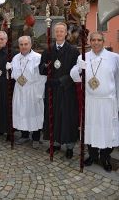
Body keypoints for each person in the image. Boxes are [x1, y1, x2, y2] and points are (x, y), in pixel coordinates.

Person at [70, 32, 119, 171]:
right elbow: (74, 76)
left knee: (107, 131)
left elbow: (118, 80)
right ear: (90, 42)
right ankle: (92, 155)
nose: (96, 42)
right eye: (93, 40)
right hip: (90, 102)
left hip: (107, 102)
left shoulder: (114, 58)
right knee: (91, 129)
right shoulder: (83, 57)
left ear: (103, 41)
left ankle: (105, 157)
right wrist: (79, 67)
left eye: (99, 40)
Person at [39, 22, 79, 158]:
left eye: (62, 31)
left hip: (67, 90)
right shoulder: (48, 50)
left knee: (67, 117)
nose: (59, 33)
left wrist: (61, 81)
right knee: (53, 115)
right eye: (57, 31)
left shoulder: (73, 51)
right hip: (52, 89)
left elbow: (76, 72)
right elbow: (41, 69)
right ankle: (55, 143)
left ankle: (69, 146)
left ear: (66, 33)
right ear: (54, 33)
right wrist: (45, 67)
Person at [11, 36, 46, 149]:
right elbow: (13, 74)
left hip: (33, 90)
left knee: (34, 113)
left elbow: (42, 77)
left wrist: (39, 94)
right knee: (21, 112)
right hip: (20, 89)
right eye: (21, 44)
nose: (24, 46)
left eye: (26, 44)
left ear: (31, 45)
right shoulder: (15, 58)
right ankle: (24, 135)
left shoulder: (38, 58)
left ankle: (36, 137)